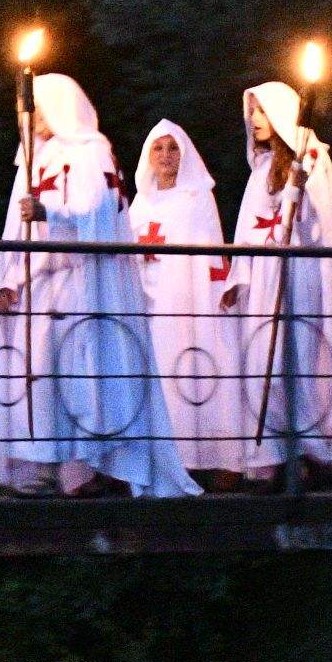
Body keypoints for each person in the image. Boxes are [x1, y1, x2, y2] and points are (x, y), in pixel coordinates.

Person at [0, 75, 198, 498]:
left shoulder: (93, 151)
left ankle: (82, 469)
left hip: (82, 283)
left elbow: (99, 213)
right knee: (43, 377)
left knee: (80, 374)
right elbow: (20, 231)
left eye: (44, 107)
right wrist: (14, 275)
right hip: (42, 285)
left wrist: (49, 210)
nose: (36, 118)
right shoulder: (34, 158)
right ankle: (43, 465)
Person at [222, 82, 332, 485]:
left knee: (297, 358)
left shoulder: (313, 159)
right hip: (265, 275)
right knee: (261, 361)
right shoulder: (261, 168)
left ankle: (311, 449)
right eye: (251, 111)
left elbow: (318, 227)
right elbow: (246, 228)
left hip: (299, 273)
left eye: (260, 111)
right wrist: (238, 276)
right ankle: (270, 452)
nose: (253, 119)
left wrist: (298, 194)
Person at [126, 120, 242, 486]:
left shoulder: (196, 197)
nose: (165, 156)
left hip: (185, 303)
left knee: (189, 374)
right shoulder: (141, 202)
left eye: (172, 148)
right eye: (158, 149)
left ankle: (200, 456)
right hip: (145, 300)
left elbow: (209, 249)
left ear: (184, 154)